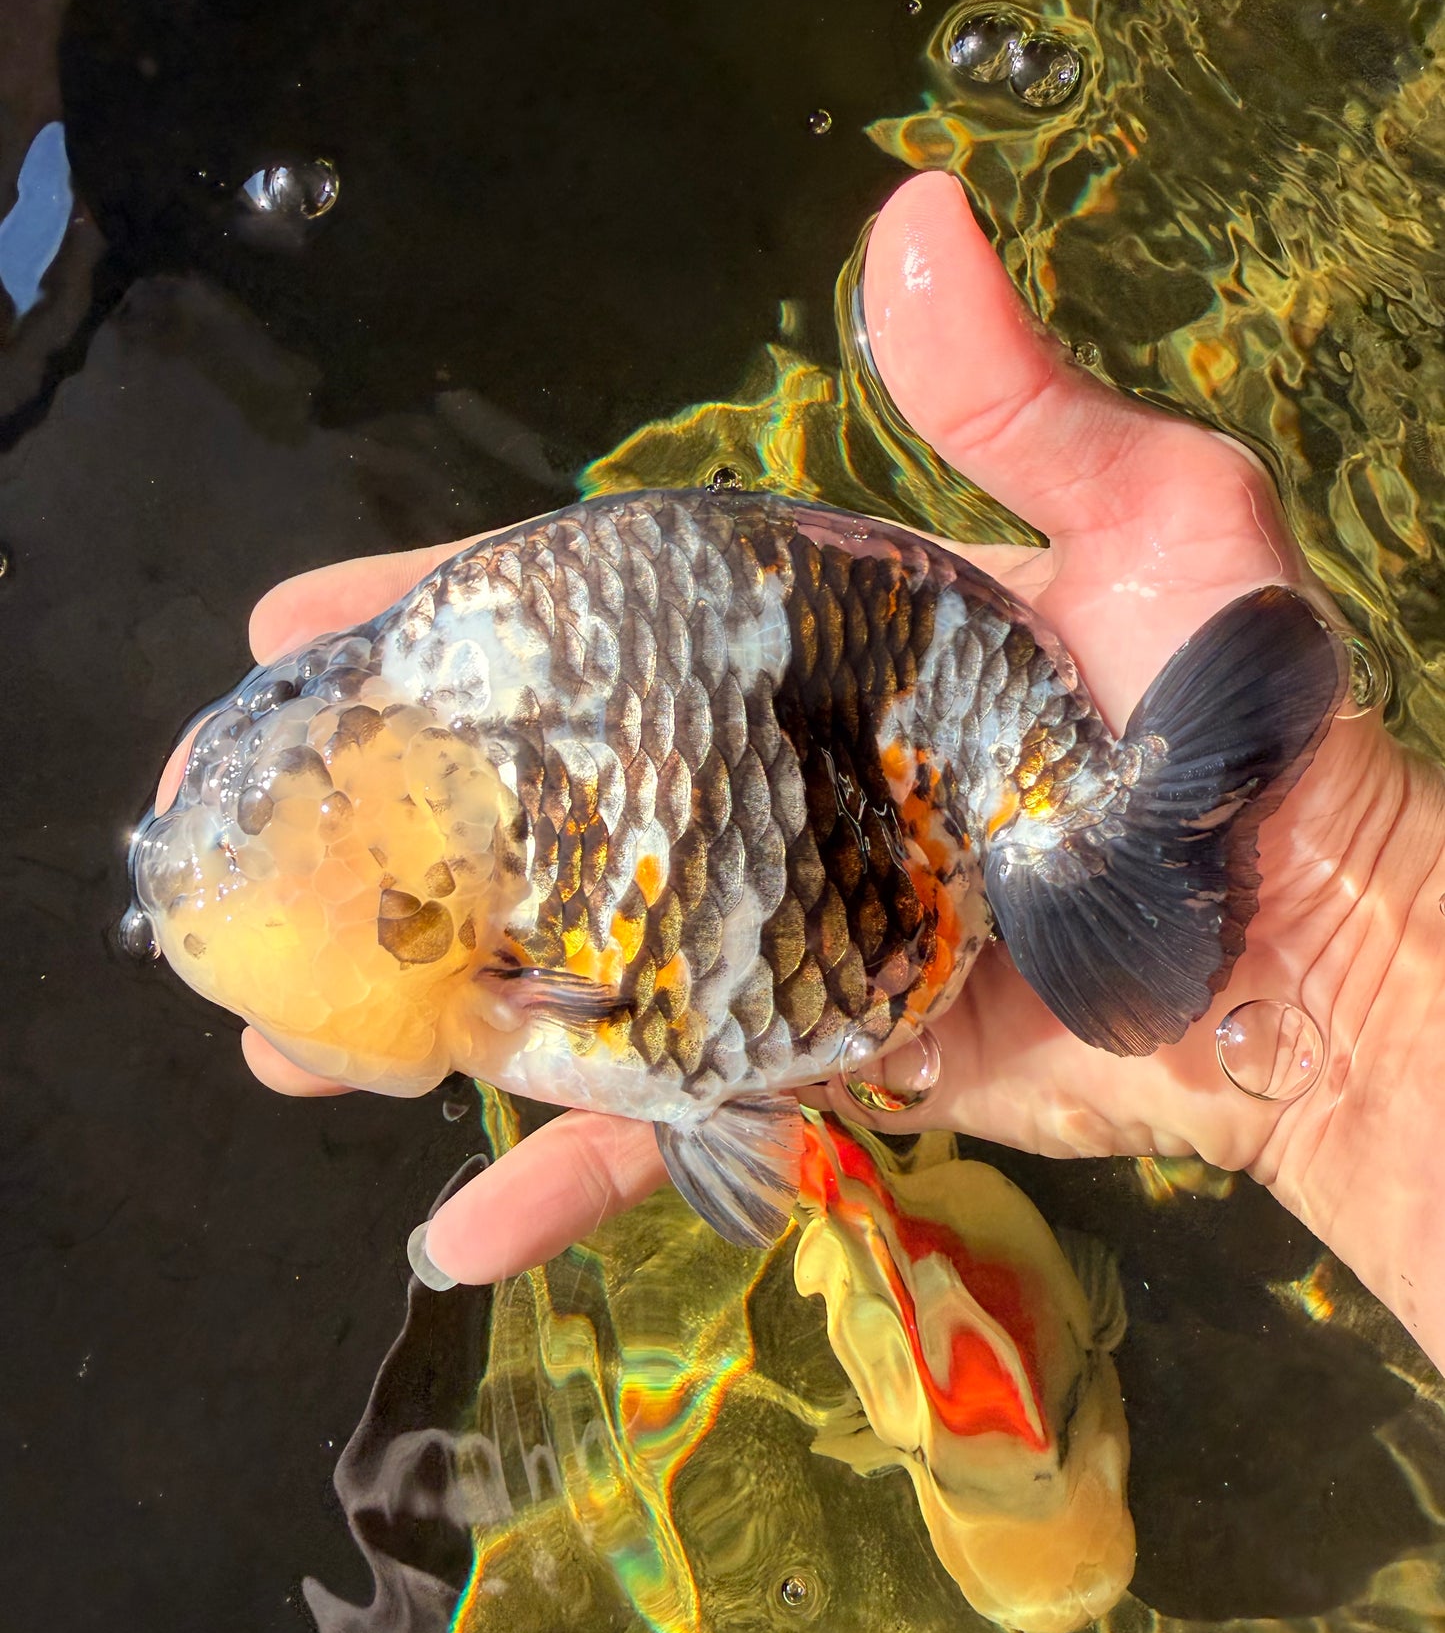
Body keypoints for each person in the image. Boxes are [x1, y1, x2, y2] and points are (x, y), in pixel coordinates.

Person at [171, 171, 1445, 1373]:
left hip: (914, 802)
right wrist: (1369, 1010)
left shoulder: (502, 954)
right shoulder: (464, 800)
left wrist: (1369, 982)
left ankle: (1121, 857)